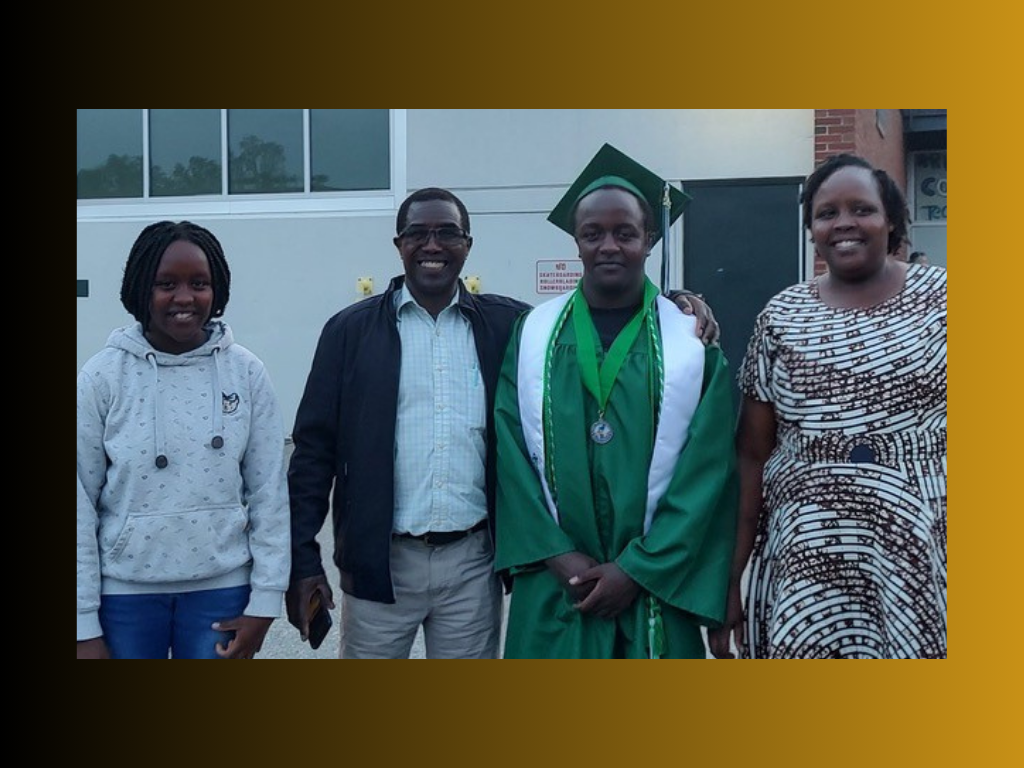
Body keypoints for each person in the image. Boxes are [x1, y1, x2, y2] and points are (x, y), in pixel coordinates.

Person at [286, 184, 719, 659]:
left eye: (448, 233)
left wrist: (678, 302)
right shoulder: (350, 332)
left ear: (468, 245)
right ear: (399, 245)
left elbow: (604, 313)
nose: (433, 246)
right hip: (381, 564)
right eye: (418, 234)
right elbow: (313, 453)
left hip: (471, 563)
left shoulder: (509, 326)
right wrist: (303, 559)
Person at [493, 144, 739, 658]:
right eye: (593, 233)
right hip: (558, 586)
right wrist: (556, 554)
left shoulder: (690, 344)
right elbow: (510, 454)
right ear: (576, 242)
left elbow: (707, 474)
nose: (609, 245)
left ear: (649, 239)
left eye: (625, 233)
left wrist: (637, 569)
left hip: (652, 588)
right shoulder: (533, 333)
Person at [709, 154, 947, 659]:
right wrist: (730, 580)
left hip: (920, 547)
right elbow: (752, 454)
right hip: (806, 556)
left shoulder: (944, 299)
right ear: (811, 229)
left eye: (861, 209)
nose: (844, 223)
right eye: (826, 213)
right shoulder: (781, 315)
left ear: (891, 220)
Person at [77, 221, 291, 659]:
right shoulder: (101, 377)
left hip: (222, 590)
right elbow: (78, 501)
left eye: (199, 283)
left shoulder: (246, 373)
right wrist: (82, 625)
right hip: (124, 595)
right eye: (165, 284)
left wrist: (265, 602)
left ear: (218, 290)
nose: (184, 298)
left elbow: (269, 493)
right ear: (140, 288)